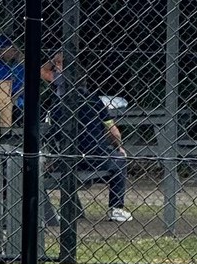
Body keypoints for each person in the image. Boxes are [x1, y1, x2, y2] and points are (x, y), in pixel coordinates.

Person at [41, 49, 131, 223]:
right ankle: (116, 208)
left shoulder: (57, 102)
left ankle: (67, 209)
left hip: (66, 157)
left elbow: (49, 133)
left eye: (60, 67)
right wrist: (119, 146)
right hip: (94, 155)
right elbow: (113, 131)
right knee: (119, 160)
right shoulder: (92, 99)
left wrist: (54, 60)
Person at [0, 33, 25, 115]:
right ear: (2, 51)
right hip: (9, 100)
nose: (16, 49)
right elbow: (2, 93)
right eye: (11, 47)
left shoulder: (19, 65)